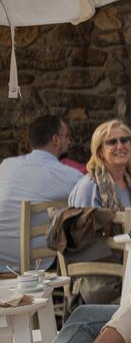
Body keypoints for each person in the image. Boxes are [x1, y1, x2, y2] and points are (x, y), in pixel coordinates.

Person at [0, 114, 81, 272]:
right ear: (55, 140)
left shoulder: (5, 165)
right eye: (67, 136)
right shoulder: (68, 176)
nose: (69, 142)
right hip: (36, 265)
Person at [68, 119, 131, 230]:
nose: (120, 146)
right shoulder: (89, 187)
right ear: (100, 151)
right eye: (112, 142)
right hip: (106, 247)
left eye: (125, 140)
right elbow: (83, 231)